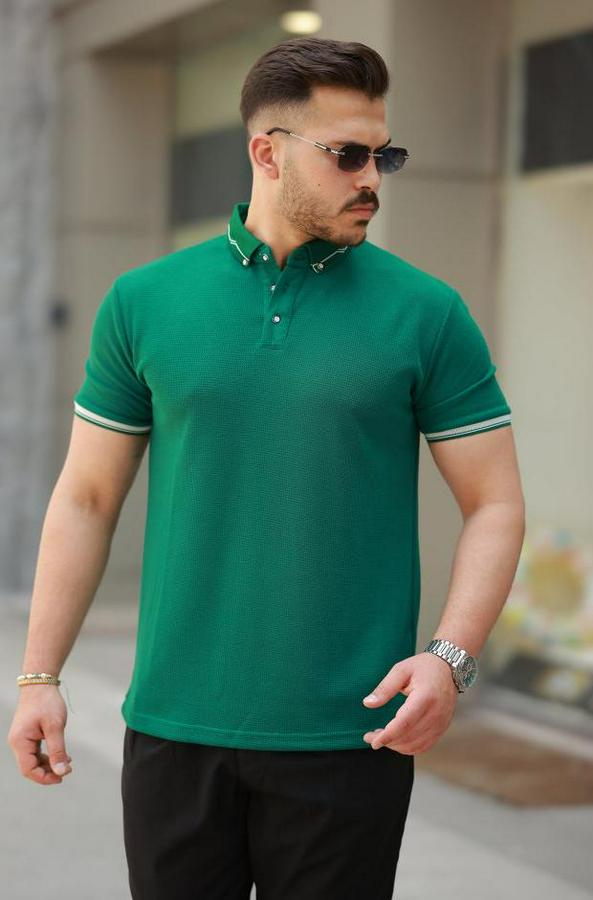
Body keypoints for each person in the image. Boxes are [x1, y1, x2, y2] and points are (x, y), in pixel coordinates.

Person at [7, 35, 525, 900]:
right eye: (347, 154)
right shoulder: (143, 301)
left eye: (384, 155)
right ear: (267, 151)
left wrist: (448, 659)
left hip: (351, 735)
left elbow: (495, 503)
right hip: (173, 727)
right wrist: (38, 677)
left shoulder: (427, 312)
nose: (372, 177)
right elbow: (88, 497)